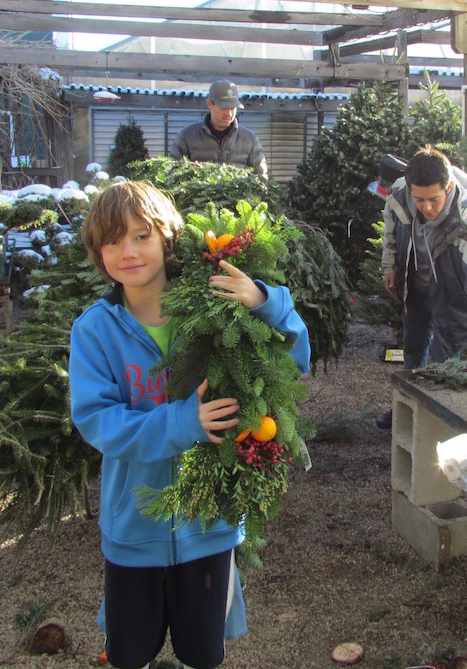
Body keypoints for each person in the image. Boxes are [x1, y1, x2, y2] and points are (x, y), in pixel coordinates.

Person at [68, 181, 310, 669]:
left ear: (166, 239)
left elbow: (293, 358)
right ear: (98, 253)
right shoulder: (95, 329)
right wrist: (183, 422)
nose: (128, 252)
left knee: (203, 653)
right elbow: (98, 420)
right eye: (112, 242)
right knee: (129, 652)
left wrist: (263, 299)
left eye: (141, 236)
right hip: (134, 528)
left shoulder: (214, 307)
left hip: (211, 523)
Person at [375, 146, 467, 430]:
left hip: (453, 295)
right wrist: (389, 266)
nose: (427, 208)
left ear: (450, 187)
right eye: (419, 199)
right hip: (415, 288)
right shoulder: (399, 193)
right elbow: (390, 228)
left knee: (442, 364)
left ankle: (432, 424)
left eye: (434, 199)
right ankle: (405, 410)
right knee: (413, 348)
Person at [168, 79, 267, 179]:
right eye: (224, 108)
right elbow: (172, 175)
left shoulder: (249, 140)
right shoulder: (186, 137)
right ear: (209, 104)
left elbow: (260, 180)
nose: (229, 114)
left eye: (232, 108)